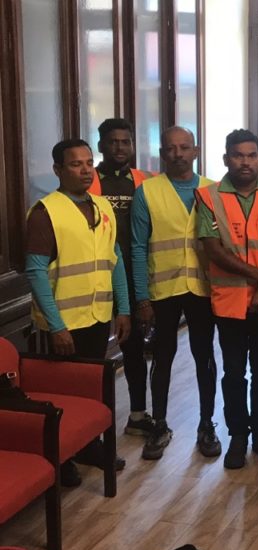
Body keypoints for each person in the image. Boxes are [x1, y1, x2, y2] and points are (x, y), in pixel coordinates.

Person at [25, 139, 132, 486]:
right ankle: (62, 457)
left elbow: (114, 259)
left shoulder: (102, 206)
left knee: (90, 389)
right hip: (63, 324)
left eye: (89, 162)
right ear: (58, 170)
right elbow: (35, 272)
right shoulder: (45, 212)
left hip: (97, 315)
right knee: (60, 395)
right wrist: (57, 327)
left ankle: (88, 446)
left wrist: (123, 308)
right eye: (75, 164)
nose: (86, 170)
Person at [195, 129, 258, 470]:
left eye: (251, 155)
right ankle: (237, 436)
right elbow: (213, 249)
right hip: (229, 302)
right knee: (233, 373)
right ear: (226, 159)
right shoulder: (208, 197)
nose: (245, 162)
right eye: (238, 155)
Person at [131, 126, 218, 461]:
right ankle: (160, 424)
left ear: (196, 151)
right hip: (162, 290)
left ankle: (207, 423)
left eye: (184, 147)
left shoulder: (213, 190)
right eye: (171, 148)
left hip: (203, 289)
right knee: (162, 357)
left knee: (204, 356)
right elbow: (138, 248)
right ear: (162, 153)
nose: (178, 154)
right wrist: (142, 298)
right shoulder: (148, 192)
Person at [88, 118, 157, 439]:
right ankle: (91, 428)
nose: (119, 147)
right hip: (96, 280)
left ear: (132, 145)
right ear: (101, 145)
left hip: (135, 278)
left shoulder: (145, 181)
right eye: (113, 141)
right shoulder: (88, 180)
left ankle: (137, 415)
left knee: (133, 351)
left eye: (125, 142)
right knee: (92, 357)